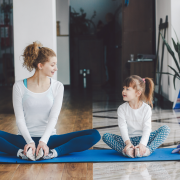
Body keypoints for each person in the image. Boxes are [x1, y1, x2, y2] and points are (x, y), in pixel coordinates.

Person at [0, 41, 101, 161]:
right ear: (40, 65)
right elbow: (20, 119)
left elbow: (54, 117)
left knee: (94, 134)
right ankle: (21, 153)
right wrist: (30, 142)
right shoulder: (19, 86)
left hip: (49, 140)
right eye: (52, 65)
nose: (56, 68)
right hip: (23, 140)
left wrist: (43, 141)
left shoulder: (57, 86)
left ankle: (52, 153)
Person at [102, 75, 170, 158]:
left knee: (165, 129)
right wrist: (128, 143)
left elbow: (147, 128)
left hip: (144, 140)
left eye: (127, 89)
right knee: (106, 136)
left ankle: (146, 150)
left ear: (138, 93)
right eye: (123, 88)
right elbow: (122, 127)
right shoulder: (121, 108)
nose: (123, 91)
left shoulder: (146, 108)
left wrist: (142, 144)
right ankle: (128, 150)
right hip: (128, 140)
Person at [97, 13, 116, 87]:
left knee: (107, 64)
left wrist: (99, 28)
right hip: (114, 48)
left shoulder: (107, 27)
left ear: (107, 19)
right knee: (113, 64)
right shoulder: (116, 26)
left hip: (108, 47)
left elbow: (98, 35)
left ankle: (109, 81)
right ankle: (113, 82)